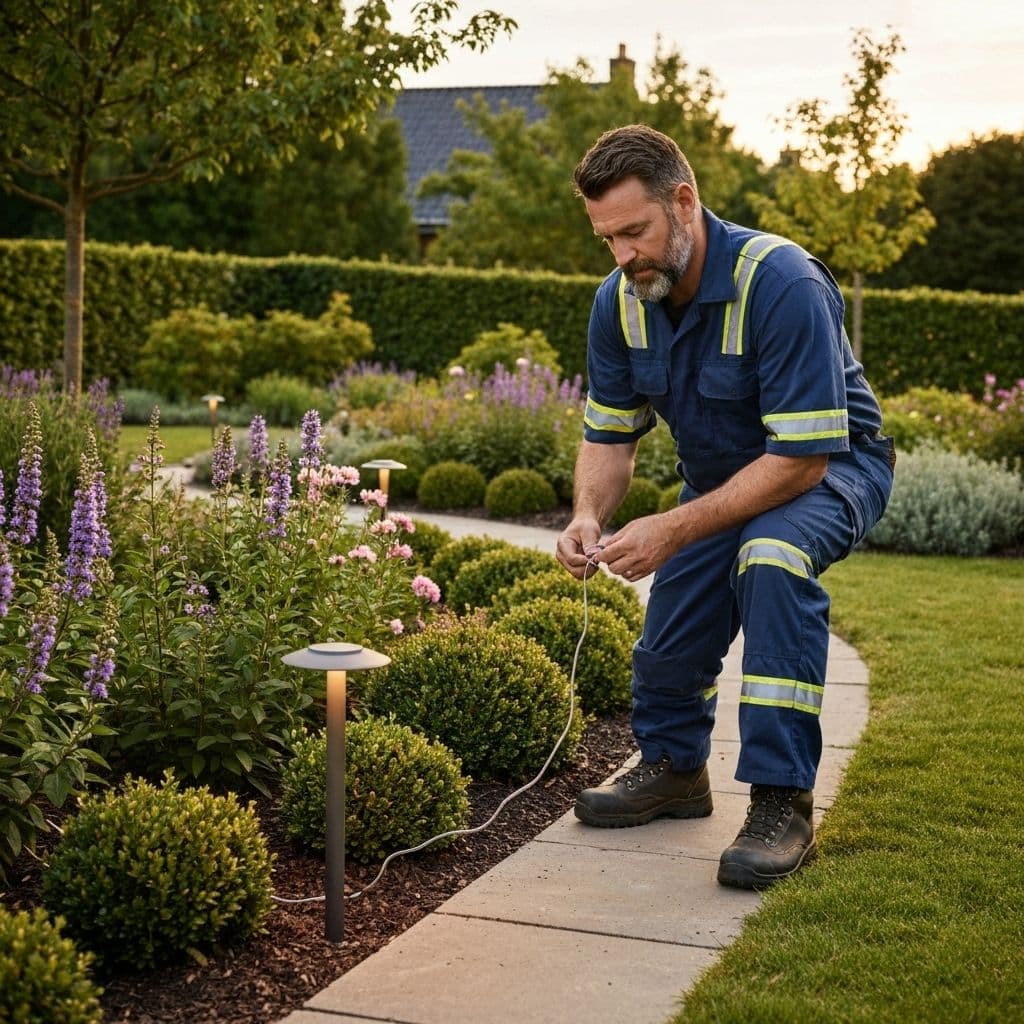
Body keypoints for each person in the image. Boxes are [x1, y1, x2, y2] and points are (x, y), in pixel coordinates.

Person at [555, 124, 895, 890]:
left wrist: (674, 526)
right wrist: (586, 517)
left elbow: (801, 460)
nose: (622, 256)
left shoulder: (784, 283)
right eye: (606, 239)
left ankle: (782, 803)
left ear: (684, 202)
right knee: (680, 601)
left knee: (768, 557)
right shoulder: (620, 301)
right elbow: (609, 439)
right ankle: (676, 769)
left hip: (831, 466)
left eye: (634, 232)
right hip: (725, 476)